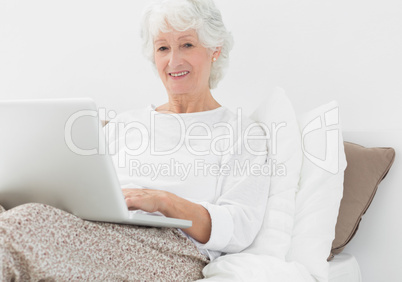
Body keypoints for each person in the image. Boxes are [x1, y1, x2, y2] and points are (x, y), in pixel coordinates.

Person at [0, 0, 270, 280]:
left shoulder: (241, 132)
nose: (174, 60)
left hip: (169, 250)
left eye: (187, 45)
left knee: (19, 227)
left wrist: (164, 201)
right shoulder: (126, 124)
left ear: (215, 50)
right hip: (94, 227)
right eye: (163, 48)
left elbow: (240, 225)